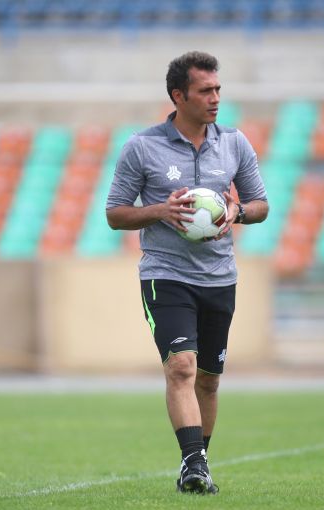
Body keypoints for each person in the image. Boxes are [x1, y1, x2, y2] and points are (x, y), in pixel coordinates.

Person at [105, 51, 268, 494]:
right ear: (178, 96)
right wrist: (161, 210)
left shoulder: (234, 143)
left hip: (219, 276)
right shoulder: (142, 147)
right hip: (166, 274)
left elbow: (261, 205)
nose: (215, 98)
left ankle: (198, 464)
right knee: (181, 368)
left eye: (218, 89)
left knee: (209, 381)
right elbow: (115, 214)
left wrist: (236, 211)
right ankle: (193, 464)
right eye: (205, 91)